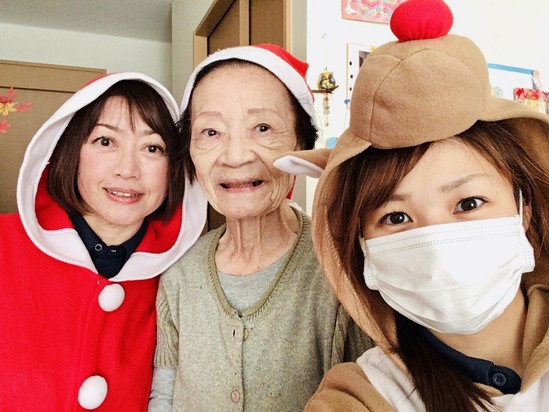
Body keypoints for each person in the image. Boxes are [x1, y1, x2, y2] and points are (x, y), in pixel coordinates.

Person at [273, 0, 549, 410]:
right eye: (396, 216)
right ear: (361, 246)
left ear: (523, 208)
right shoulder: (362, 393)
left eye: (469, 202)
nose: (437, 244)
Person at [149, 44, 373, 411]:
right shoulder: (179, 274)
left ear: (301, 144)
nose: (235, 156)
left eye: (263, 128)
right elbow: (164, 396)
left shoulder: (343, 265)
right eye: (210, 132)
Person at [0, 73, 207, 411]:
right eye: (106, 141)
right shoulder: (4, 247)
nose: (128, 170)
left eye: (152, 148)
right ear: (71, 151)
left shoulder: (187, 279)